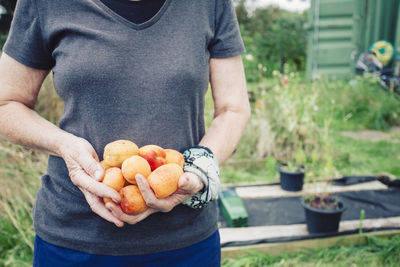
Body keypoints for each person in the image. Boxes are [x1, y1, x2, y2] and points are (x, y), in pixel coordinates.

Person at [0, 0, 250, 265]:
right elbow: (6, 103)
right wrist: (64, 145)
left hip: (185, 241)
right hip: (76, 240)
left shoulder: (209, 4)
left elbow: (232, 108)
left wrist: (199, 170)